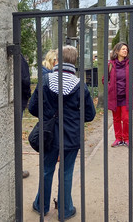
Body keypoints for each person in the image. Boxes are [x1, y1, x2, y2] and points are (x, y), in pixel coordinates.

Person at [28, 45, 96, 220]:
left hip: (48, 134)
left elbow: (33, 107)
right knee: (66, 173)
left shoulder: (45, 80)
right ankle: (65, 210)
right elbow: (90, 114)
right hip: (71, 136)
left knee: (46, 171)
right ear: (74, 61)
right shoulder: (81, 85)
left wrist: (48, 116)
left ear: (57, 60)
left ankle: (41, 206)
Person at [104, 42, 133, 147]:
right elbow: (104, 79)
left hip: (126, 97)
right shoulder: (110, 64)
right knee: (116, 119)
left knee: (126, 118)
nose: (125, 51)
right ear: (117, 51)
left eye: (126, 49)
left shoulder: (130, 64)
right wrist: (109, 87)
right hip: (114, 97)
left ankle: (127, 139)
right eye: (123, 49)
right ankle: (118, 139)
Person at [21, 53, 32, 179]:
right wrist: (28, 95)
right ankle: (17, 169)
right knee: (16, 137)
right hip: (18, 101)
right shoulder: (20, 57)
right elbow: (25, 80)